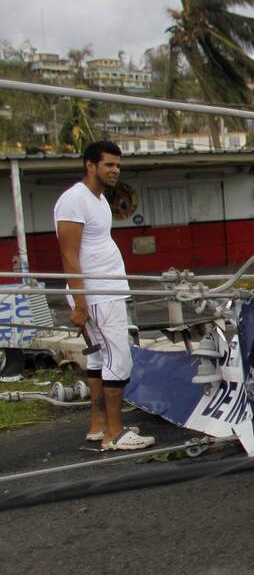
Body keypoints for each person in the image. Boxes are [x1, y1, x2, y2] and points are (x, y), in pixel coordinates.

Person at [54, 140, 154, 450]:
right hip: (96, 295)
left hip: (105, 291)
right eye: (109, 165)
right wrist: (80, 304)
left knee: (99, 358)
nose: (115, 171)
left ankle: (99, 426)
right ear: (90, 165)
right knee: (118, 358)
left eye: (118, 166)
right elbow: (69, 256)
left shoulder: (98, 200)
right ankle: (116, 433)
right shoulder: (74, 200)